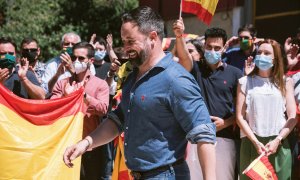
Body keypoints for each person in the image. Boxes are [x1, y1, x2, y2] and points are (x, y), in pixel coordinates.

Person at [63, 6, 216, 180]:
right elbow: (118, 119)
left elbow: (204, 134)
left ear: (152, 37)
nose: (125, 48)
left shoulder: (176, 79)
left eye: (130, 41)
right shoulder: (133, 76)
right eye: (123, 41)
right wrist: (86, 143)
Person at [184, 27, 242, 180]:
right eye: (209, 47)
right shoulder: (194, 69)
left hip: (224, 139)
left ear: (224, 48)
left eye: (217, 48)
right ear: (204, 47)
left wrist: (226, 122)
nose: (212, 50)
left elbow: (242, 110)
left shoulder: (235, 73)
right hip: (196, 138)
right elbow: (182, 57)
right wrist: (178, 37)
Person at [236, 39, 297, 179]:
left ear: (275, 59)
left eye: (267, 53)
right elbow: (240, 117)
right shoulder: (245, 81)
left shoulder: (286, 81)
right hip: (252, 143)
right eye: (259, 52)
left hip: (278, 143)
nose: (261, 55)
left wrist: (278, 140)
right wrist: (256, 142)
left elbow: (292, 116)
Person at [50, 42, 109, 180]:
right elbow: (52, 107)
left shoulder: (100, 84)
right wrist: (66, 97)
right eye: (74, 58)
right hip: (64, 143)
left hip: (89, 145)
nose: (77, 62)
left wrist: (83, 96)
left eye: (81, 58)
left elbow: (103, 109)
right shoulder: (62, 83)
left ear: (91, 61)